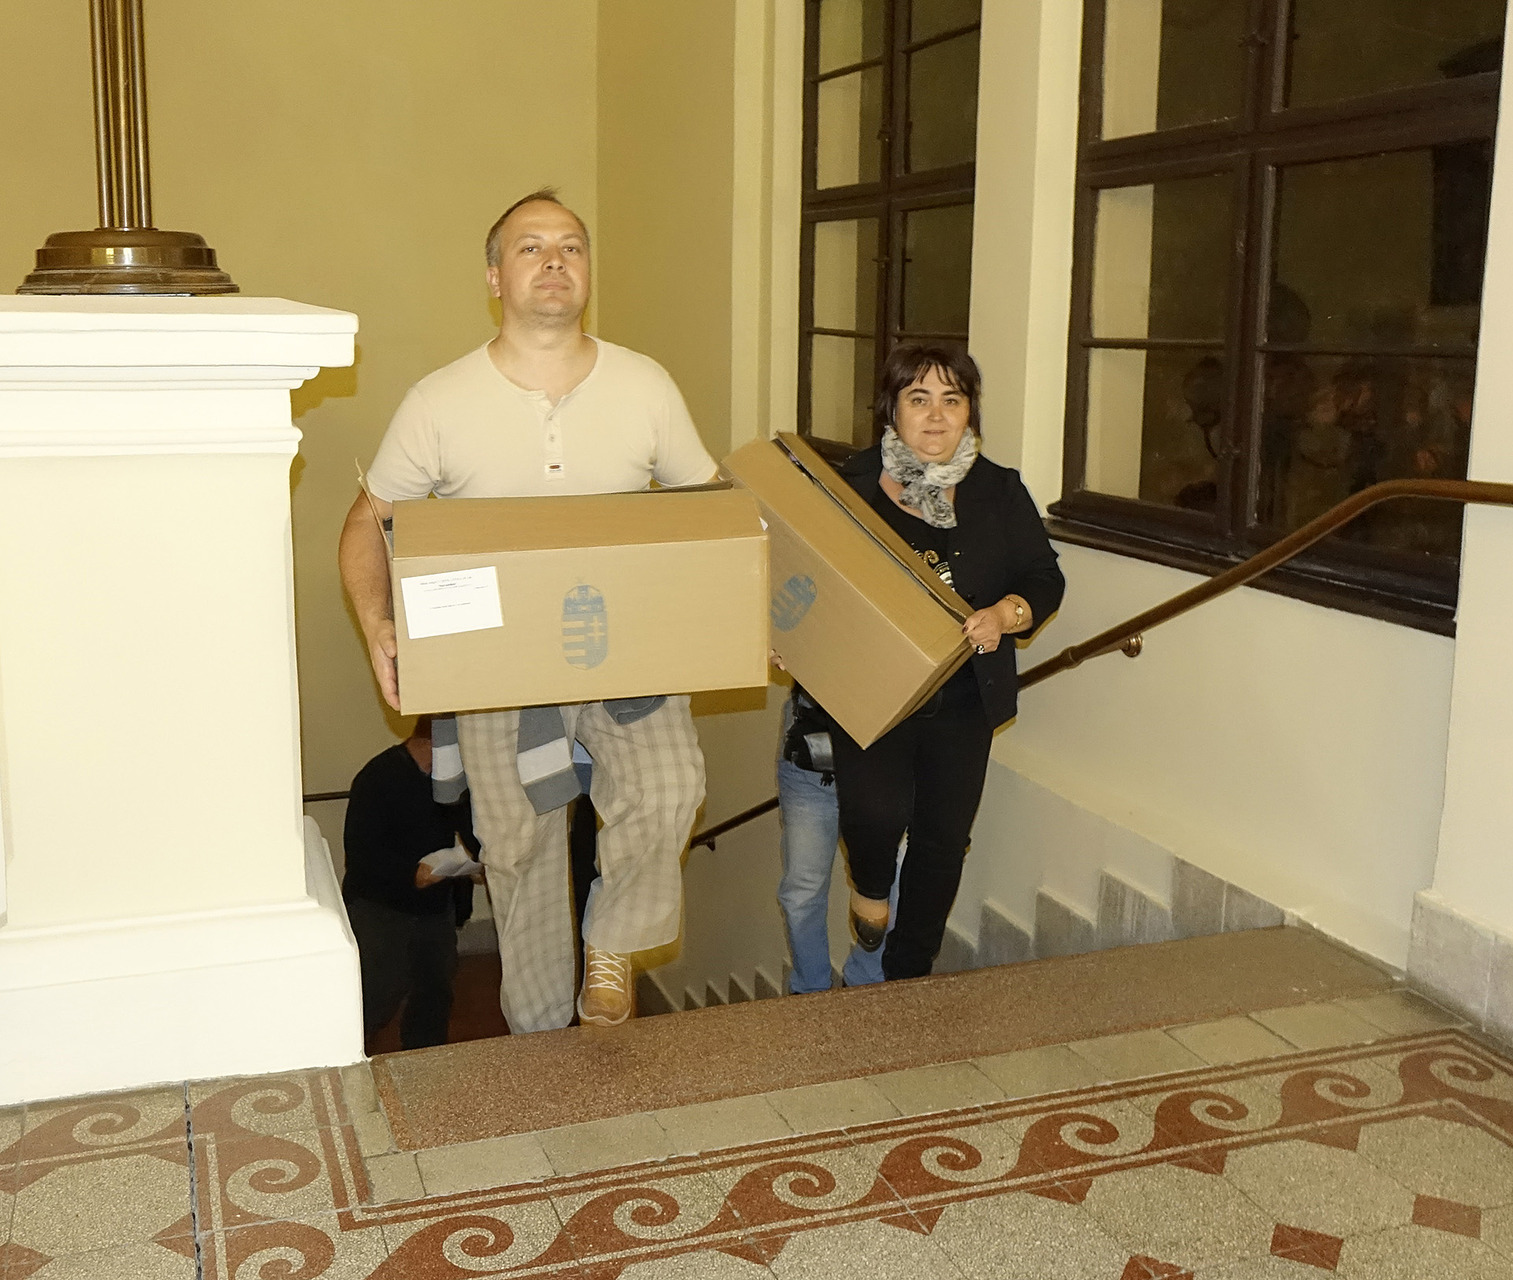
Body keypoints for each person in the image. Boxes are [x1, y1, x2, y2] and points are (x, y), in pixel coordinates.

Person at [338, 188, 717, 1032]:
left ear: (587, 269)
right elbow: (367, 521)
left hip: (626, 647)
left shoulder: (645, 384)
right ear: (494, 276)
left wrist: (730, 613)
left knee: (671, 787)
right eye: (530, 246)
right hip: (495, 662)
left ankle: (612, 944)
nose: (554, 260)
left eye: (571, 246)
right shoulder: (439, 400)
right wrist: (377, 626)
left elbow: (708, 510)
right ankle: (541, 1033)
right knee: (517, 849)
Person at [826, 341, 1065, 981]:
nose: (936, 416)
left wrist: (1006, 614)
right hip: (873, 691)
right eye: (919, 399)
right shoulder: (850, 486)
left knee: (942, 840)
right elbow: (803, 575)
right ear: (892, 410)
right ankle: (870, 883)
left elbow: (1044, 577)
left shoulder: (998, 490)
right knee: (875, 813)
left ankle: (910, 973)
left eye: (951, 400)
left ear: (969, 412)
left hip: (964, 697)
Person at [342, 717, 478, 1051]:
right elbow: (361, 854)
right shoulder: (377, 777)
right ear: (436, 742)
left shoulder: (453, 779)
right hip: (381, 908)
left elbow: (471, 830)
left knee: (435, 992)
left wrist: (482, 860)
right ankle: (346, 1056)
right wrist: (411, 875)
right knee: (376, 993)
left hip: (436, 905)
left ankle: (425, 1062)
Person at [775, 686, 896, 992]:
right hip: (810, 756)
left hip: (883, 755)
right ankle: (810, 989)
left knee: (888, 885)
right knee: (802, 891)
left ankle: (865, 983)